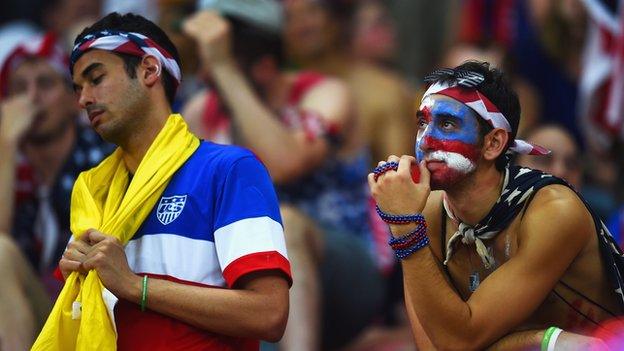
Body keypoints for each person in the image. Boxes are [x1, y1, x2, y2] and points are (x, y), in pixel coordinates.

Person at [34, 12, 291, 350]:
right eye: (78, 88)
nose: (83, 99)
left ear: (149, 70)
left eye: (95, 78)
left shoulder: (228, 169)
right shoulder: (94, 192)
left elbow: (269, 314)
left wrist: (134, 285)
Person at [369, 61, 624, 349]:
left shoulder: (553, 210)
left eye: (447, 124)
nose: (426, 141)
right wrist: (534, 340)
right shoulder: (426, 211)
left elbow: (459, 341)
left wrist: (406, 227)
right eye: (422, 123)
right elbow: (435, 347)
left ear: (493, 143)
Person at [182, 4, 385, 350]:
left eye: (212, 64)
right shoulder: (202, 111)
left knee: (284, 224)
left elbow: (281, 165)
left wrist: (225, 70)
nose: (203, 77)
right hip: (256, 275)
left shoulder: (324, 94)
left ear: (264, 67)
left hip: (347, 272)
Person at [0, 32, 114, 350]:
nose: (31, 98)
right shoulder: (10, 168)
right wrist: (6, 149)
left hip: (86, 318)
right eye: (20, 88)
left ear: (72, 98)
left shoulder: (99, 160)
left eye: (45, 84)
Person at [283, 0, 414, 167]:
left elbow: (400, 176)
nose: (302, 23)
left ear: (337, 21)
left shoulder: (384, 91)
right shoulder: (271, 91)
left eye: (313, 11)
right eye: (289, 16)